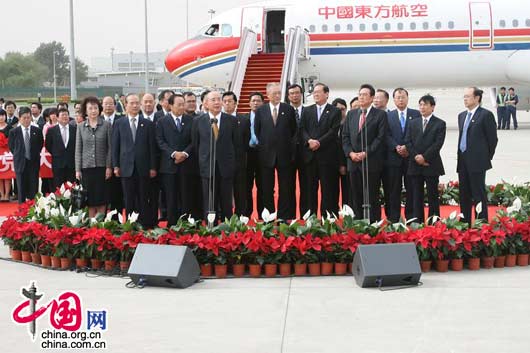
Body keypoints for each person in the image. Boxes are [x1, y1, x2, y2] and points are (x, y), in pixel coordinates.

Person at [342, 84, 387, 223]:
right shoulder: (351, 114)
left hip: (371, 162)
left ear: (372, 97)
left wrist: (365, 152)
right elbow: (345, 136)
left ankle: (373, 224)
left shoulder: (380, 115)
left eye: (364, 95)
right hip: (353, 162)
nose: (361, 97)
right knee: (356, 195)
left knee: (372, 194)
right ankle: (358, 223)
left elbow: (380, 138)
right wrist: (350, 153)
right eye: (360, 94)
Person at [112, 94, 158, 228]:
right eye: (131, 103)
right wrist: (115, 166)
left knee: (144, 198)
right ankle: (131, 225)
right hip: (126, 168)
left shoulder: (148, 124)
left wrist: (153, 167)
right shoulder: (119, 123)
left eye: (137, 103)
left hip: (143, 168)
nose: (134, 105)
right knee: (129, 198)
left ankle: (144, 224)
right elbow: (115, 146)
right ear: (126, 105)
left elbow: (152, 147)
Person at [255, 82, 297, 220]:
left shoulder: (288, 109)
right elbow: (257, 130)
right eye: (274, 93)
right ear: (268, 95)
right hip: (266, 156)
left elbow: (293, 130)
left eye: (279, 93)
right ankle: (269, 217)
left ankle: (283, 218)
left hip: (284, 155)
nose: (277, 95)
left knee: (285, 189)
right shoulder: (261, 111)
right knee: (267, 189)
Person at [192, 91, 237, 221]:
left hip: (226, 167)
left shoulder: (231, 120)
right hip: (207, 167)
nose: (217, 102)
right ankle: (211, 228)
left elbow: (236, 144)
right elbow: (196, 144)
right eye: (213, 100)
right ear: (205, 103)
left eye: (219, 99)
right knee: (209, 200)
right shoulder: (198, 121)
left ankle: (227, 226)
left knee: (226, 201)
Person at [457, 87, 498, 223]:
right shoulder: (462, 115)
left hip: (478, 162)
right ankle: (465, 222)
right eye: (464, 96)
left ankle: (481, 223)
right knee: (464, 194)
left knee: (478, 194)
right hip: (463, 161)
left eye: (468, 96)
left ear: (477, 98)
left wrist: (485, 157)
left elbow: (492, 139)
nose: (465, 99)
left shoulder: (485, 115)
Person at [300, 83, 341, 216]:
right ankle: (309, 219)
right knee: (309, 190)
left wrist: (319, 142)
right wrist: (309, 141)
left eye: (319, 92)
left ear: (327, 94)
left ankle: (327, 219)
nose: (315, 94)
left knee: (328, 190)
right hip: (310, 156)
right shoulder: (307, 110)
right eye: (314, 92)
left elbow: (333, 131)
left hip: (327, 157)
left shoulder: (335, 111)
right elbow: (302, 129)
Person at [404, 95, 446, 224]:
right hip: (415, 164)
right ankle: (418, 221)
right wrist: (416, 156)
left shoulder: (440, 123)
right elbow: (408, 141)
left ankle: (434, 221)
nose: (422, 107)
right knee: (416, 195)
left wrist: (425, 157)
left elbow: (438, 144)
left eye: (425, 104)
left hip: (431, 164)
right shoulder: (413, 123)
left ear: (432, 107)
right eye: (420, 104)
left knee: (433, 195)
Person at [383, 88, 421, 223]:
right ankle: (393, 218)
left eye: (403, 97)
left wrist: (407, 147)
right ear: (393, 100)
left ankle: (411, 217)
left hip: (410, 158)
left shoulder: (416, 114)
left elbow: (418, 134)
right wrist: (396, 147)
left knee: (411, 188)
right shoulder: (388, 116)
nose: (400, 100)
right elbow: (385, 135)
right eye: (398, 97)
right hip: (393, 158)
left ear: (407, 98)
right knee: (393, 189)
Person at [157, 94, 194, 226]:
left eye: (183, 104)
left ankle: (186, 223)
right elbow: (160, 141)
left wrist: (184, 153)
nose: (182, 107)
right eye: (179, 104)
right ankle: (172, 224)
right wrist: (174, 154)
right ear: (171, 106)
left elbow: (194, 141)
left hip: (186, 164)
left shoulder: (191, 120)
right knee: (170, 196)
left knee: (186, 195)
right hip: (169, 166)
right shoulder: (162, 121)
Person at [75, 96, 113, 218]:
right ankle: (92, 226)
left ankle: (102, 224)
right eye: (90, 108)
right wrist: (77, 169)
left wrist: (108, 167)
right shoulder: (80, 127)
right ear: (85, 111)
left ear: (99, 109)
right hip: (87, 168)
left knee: (102, 199)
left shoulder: (106, 125)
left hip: (102, 168)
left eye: (95, 108)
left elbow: (110, 148)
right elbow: (78, 149)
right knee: (90, 200)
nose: (93, 111)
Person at [8, 107, 44, 203]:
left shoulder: (37, 130)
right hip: (20, 163)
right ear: (19, 118)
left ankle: (34, 210)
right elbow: (12, 147)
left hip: (33, 163)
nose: (27, 120)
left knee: (34, 188)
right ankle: (22, 211)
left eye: (28, 117)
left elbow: (40, 144)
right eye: (24, 118)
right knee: (21, 189)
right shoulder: (14, 132)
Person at [223, 91, 250, 216]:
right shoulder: (218, 119)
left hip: (239, 162)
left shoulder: (243, 120)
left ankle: (241, 216)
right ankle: (225, 215)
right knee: (224, 191)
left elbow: (246, 140)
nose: (227, 104)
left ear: (235, 103)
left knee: (240, 191)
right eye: (225, 101)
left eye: (230, 101)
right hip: (223, 163)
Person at [101, 96, 124, 218]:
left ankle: (117, 220)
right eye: (106, 104)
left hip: (119, 163)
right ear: (102, 106)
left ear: (115, 106)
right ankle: (102, 219)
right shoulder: (97, 120)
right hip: (102, 163)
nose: (108, 106)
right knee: (103, 194)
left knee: (117, 194)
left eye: (111, 104)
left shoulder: (122, 120)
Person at [288, 84, 307, 217]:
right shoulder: (284, 111)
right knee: (288, 187)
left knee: (307, 186)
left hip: (306, 154)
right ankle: (290, 217)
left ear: (301, 94)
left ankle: (306, 216)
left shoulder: (308, 111)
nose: (294, 95)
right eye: (292, 93)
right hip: (288, 155)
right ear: (288, 96)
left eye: (297, 93)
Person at [45, 108, 76, 189]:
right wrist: (56, 153)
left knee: (71, 186)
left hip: (71, 163)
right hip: (58, 162)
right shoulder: (52, 130)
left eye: (66, 115)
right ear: (57, 118)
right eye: (62, 115)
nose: (65, 117)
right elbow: (48, 145)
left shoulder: (75, 129)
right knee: (58, 186)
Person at [245, 92, 264, 217]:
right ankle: (246, 214)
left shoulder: (267, 117)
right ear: (249, 103)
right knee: (246, 185)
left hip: (263, 154)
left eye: (258, 101)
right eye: (253, 101)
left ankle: (263, 214)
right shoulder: (243, 118)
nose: (256, 103)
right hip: (247, 154)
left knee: (264, 185)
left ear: (263, 103)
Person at [332, 98, 350, 208]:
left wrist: (343, 164)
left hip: (346, 161)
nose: (340, 112)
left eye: (343, 109)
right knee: (332, 190)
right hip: (332, 162)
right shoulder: (330, 122)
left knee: (347, 189)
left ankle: (347, 210)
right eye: (338, 109)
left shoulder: (349, 122)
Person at [41, 108, 59, 195]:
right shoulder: (46, 126)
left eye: (55, 114)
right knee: (47, 174)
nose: (54, 116)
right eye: (52, 114)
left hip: (58, 152)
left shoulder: (60, 124)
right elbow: (45, 139)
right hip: (48, 152)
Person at [0, 109, 13, 201]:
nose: (1, 117)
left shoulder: (10, 128)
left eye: (3, 115)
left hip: (7, 155)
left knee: (7, 176)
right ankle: (2, 194)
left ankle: (7, 194)